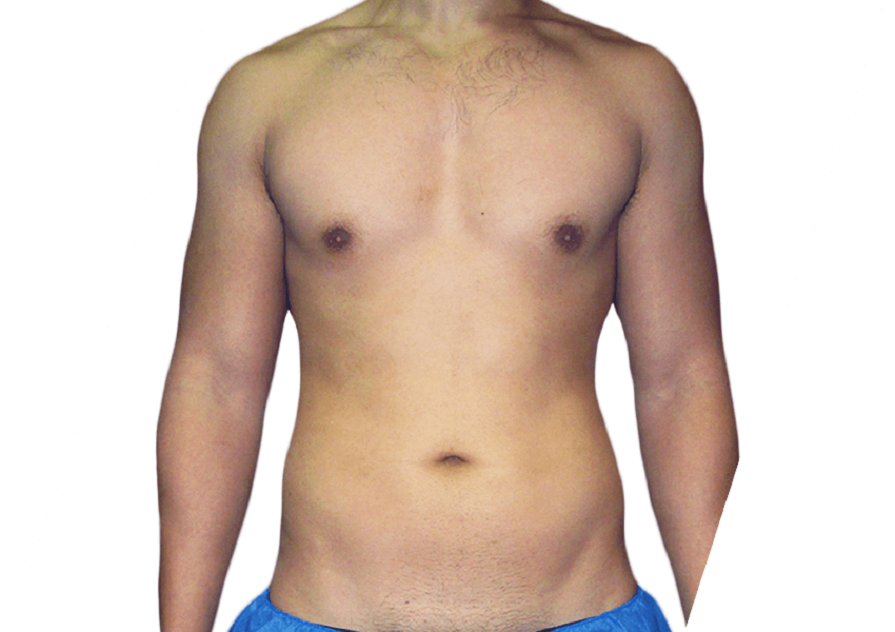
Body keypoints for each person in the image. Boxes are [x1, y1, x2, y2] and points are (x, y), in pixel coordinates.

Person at [156, 0, 739, 630]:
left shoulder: (632, 88)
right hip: (326, 606)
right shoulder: (269, 93)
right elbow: (218, 384)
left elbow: (681, 381)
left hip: (580, 604)